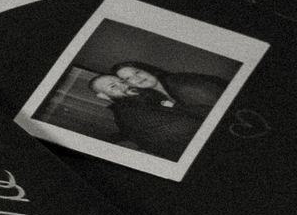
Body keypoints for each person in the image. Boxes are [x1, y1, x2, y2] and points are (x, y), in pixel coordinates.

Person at [88, 58, 229, 161]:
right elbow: (188, 128)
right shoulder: (131, 113)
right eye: (113, 86)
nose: (123, 86)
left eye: (121, 82)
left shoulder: (176, 87)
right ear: (102, 96)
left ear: (147, 69)